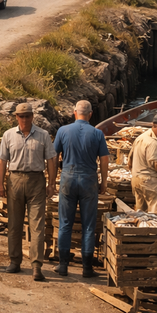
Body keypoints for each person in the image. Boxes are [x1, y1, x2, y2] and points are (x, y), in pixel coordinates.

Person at [0, 102, 56, 282]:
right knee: (14, 223)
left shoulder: (43, 135)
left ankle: (36, 266)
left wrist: (51, 183)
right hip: (14, 180)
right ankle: (14, 261)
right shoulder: (8, 135)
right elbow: (2, 161)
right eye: (21, 116)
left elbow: (51, 160)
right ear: (16, 117)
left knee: (37, 225)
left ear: (32, 116)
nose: (24, 119)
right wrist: (0, 184)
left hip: (36, 181)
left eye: (27, 116)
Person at [51, 100, 110, 278]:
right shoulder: (97, 133)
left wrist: (52, 181)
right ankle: (87, 268)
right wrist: (104, 181)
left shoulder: (63, 131)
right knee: (88, 225)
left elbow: (53, 157)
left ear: (74, 112)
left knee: (65, 223)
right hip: (88, 180)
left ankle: (63, 265)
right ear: (90, 114)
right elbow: (104, 159)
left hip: (68, 178)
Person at [127, 113, 157, 214]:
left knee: (141, 212)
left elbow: (130, 160)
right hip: (150, 182)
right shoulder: (153, 142)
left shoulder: (141, 137)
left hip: (136, 179)